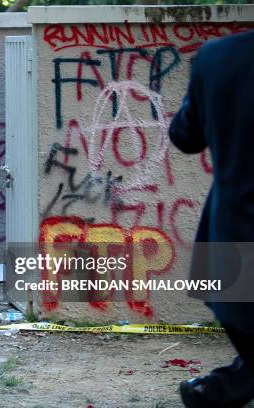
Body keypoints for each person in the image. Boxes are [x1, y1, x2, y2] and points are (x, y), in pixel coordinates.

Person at [170, 31, 254, 408]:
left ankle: (218, 390)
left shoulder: (217, 57)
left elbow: (186, 136)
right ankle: (220, 389)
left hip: (235, 230)